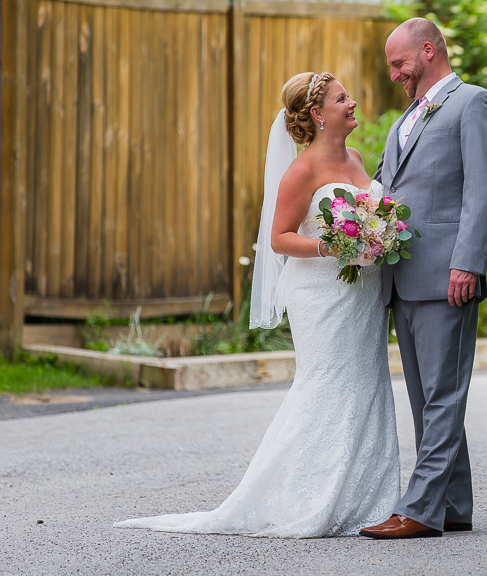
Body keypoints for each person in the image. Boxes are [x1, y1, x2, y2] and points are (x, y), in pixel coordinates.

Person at [114, 72, 400, 538]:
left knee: (367, 384)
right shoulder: (301, 171)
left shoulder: (356, 158)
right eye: (341, 98)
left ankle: (367, 500)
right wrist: (335, 246)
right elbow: (280, 238)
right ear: (316, 113)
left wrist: (378, 232)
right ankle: (306, 499)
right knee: (327, 385)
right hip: (322, 295)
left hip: (362, 295)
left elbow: (370, 214)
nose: (352, 103)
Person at [359, 18, 487, 539]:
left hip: (448, 273)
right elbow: (384, 186)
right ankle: (453, 505)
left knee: (443, 394)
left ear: (428, 51)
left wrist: (468, 261)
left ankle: (419, 510)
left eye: (399, 63)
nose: (396, 74)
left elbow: (485, 189)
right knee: (426, 397)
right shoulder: (408, 117)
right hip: (404, 275)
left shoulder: (474, 104)